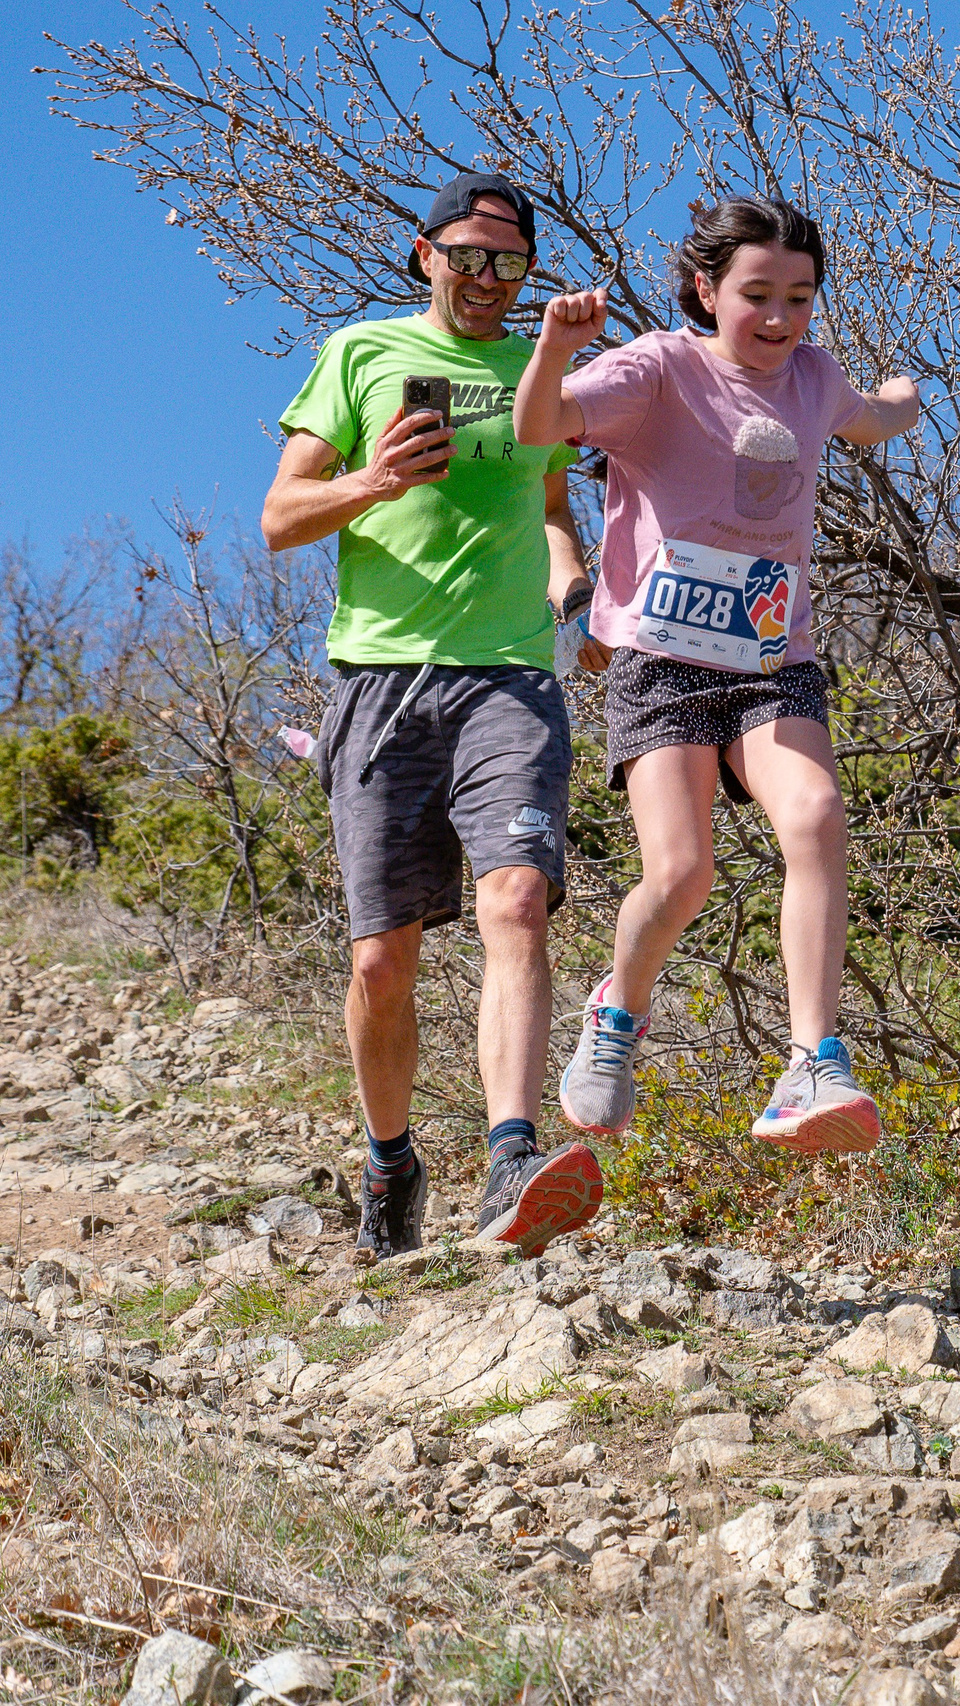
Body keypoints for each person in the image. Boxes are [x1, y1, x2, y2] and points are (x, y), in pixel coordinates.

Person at [512, 196, 922, 1154]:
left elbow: (868, 419)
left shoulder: (813, 378)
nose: (779, 318)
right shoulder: (657, 368)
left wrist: (907, 397)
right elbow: (540, 429)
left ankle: (811, 1061)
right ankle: (618, 1012)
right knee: (682, 871)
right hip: (662, 662)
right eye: (757, 295)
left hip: (773, 660)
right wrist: (553, 349)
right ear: (706, 289)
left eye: (799, 298)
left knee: (816, 815)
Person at [263, 171, 613, 1265]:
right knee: (382, 961)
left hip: (509, 678)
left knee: (518, 899)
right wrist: (372, 482)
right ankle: (391, 1161)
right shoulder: (361, 354)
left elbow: (551, 507)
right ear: (426, 255)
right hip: (381, 683)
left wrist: (577, 589)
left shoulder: (541, 371)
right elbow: (279, 516)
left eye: (508, 261)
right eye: (467, 256)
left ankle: (512, 1156)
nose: (487, 277)